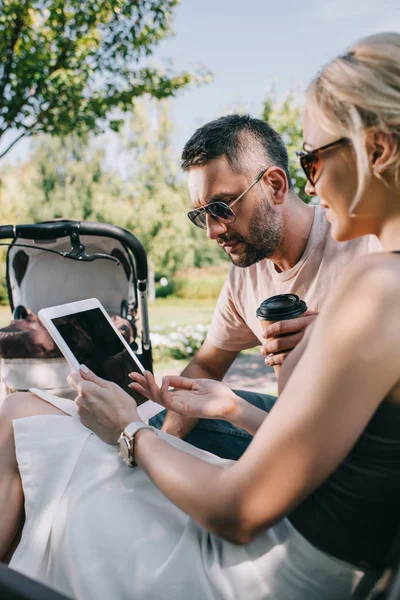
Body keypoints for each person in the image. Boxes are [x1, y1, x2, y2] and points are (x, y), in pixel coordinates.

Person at [2, 31, 400, 600]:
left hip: (257, 568)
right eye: (201, 216)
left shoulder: (377, 283)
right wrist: (226, 406)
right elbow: (358, 456)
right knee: (29, 423)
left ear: (378, 151)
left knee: (25, 428)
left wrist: (131, 431)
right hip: (306, 537)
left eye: (313, 158)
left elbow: (238, 510)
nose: (312, 182)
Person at [152, 114, 381, 458]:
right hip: (299, 428)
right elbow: (207, 367)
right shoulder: (246, 272)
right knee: (163, 420)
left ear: (275, 186)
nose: (212, 231)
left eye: (221, 207)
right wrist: (168, 441)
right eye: (202, 215)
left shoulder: (363, 238)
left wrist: (337, 340)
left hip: (369, 446)